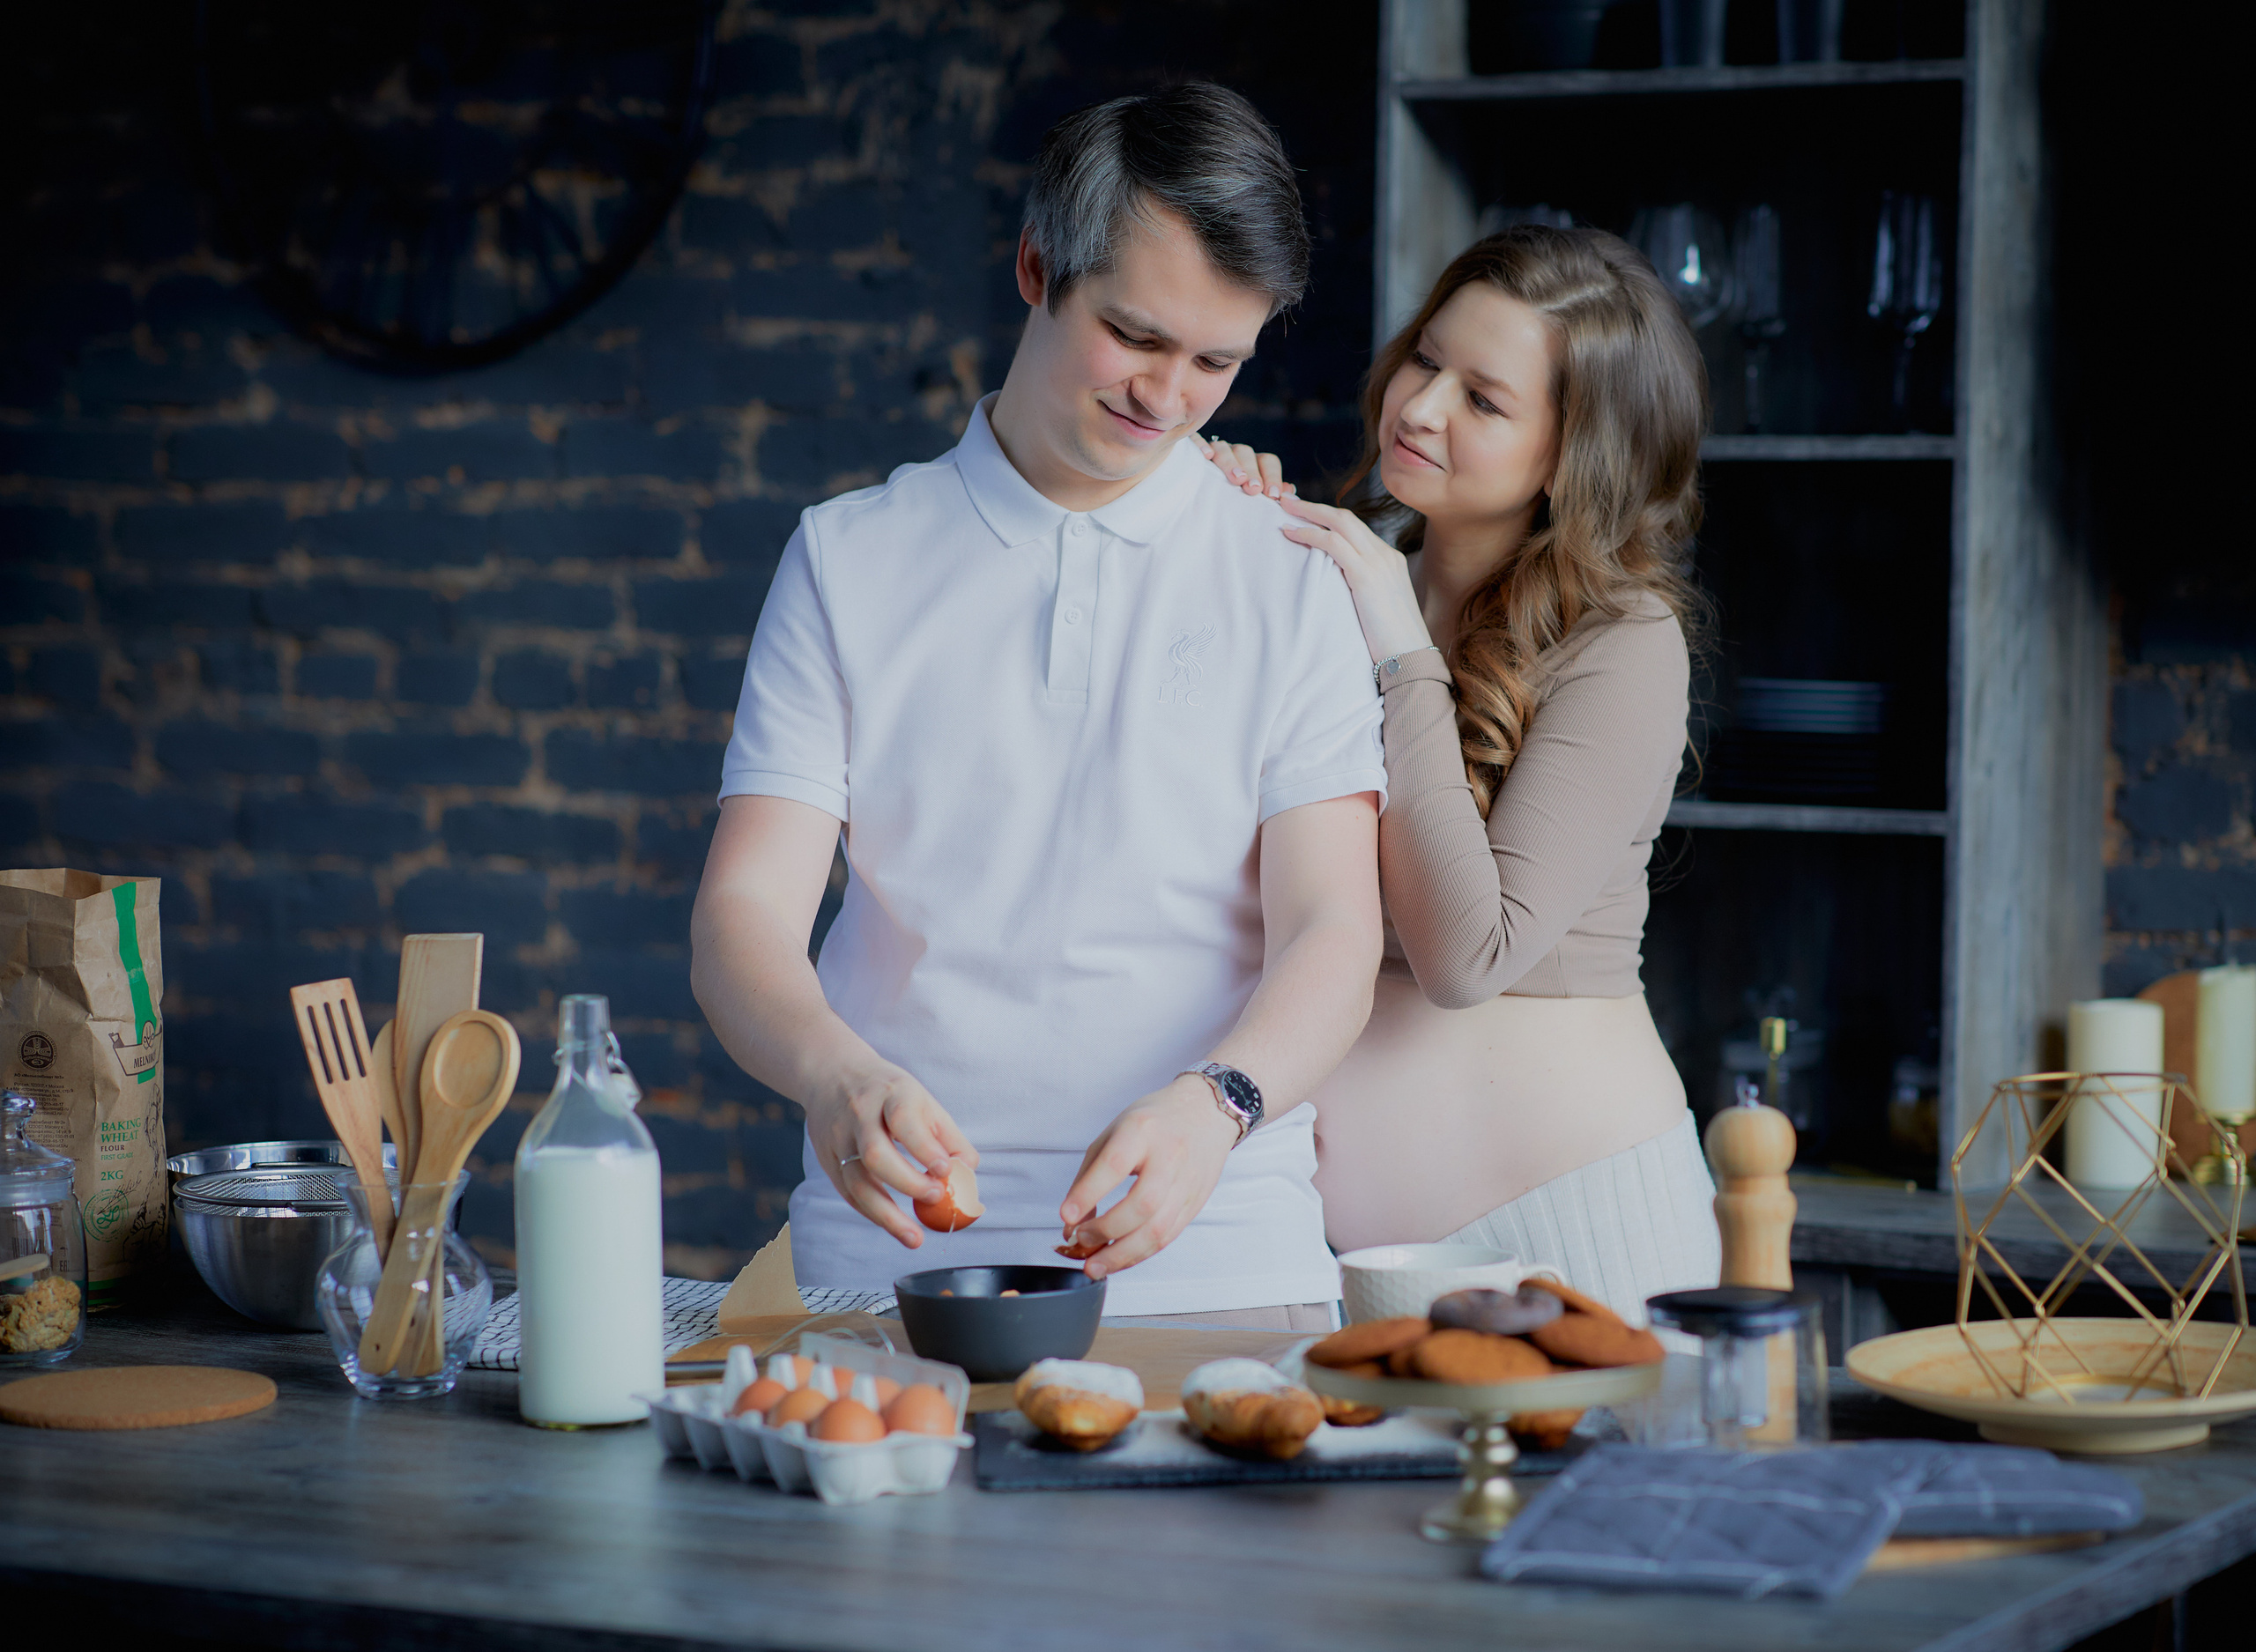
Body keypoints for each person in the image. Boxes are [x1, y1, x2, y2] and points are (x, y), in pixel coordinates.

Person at [692, 84, 1385, 1330]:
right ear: (1035, 269)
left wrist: (1220, 1102)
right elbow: (743, 912)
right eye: (1135, 335)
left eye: (1215, 362)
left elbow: (1333, 929)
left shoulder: (1289, 572)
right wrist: (832, 1072)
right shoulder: (847, 557)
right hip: (884, 1265)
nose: (1167, 396)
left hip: (1224, 1266)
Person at [1198, 224, 1722, 1326]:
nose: (1421, 405)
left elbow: (1466, 955)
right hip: (1337, 1259)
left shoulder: (1623, 642)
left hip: (1574, 1242)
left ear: (1573, 458)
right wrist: (1215, 523)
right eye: (1426, 358)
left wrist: (1403, 652)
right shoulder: (1340, 579)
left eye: (1483, 399)